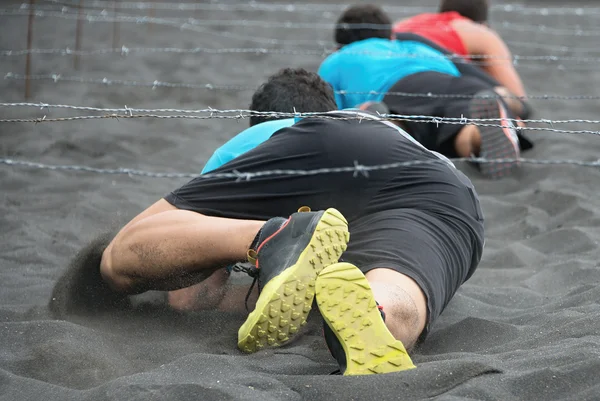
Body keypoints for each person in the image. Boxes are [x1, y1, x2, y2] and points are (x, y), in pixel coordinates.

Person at [94, 68, 485, 376]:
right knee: (395, 293)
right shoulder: (400, 145)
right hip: (452, 195)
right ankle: (378, 313)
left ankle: (274, 236)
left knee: (118, 261)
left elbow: (190, 298)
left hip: (336, 146)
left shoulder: (268, 138)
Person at [318, 4, 533, 179]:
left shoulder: (337, 59)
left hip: (397, 92)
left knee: (400, 129)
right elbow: (454, 68)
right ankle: (480, 136)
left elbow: (327, 110)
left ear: (339, 47)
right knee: (459, 128)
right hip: (455, 85)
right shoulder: (415, 47)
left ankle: (385, 123)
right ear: (392, 37)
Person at [393, 0, 530, 115]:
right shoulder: (477, 31)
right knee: (512, 107)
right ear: (482, 22)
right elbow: (516, 95)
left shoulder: (406, 23)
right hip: (430, 87)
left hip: (384, 84)